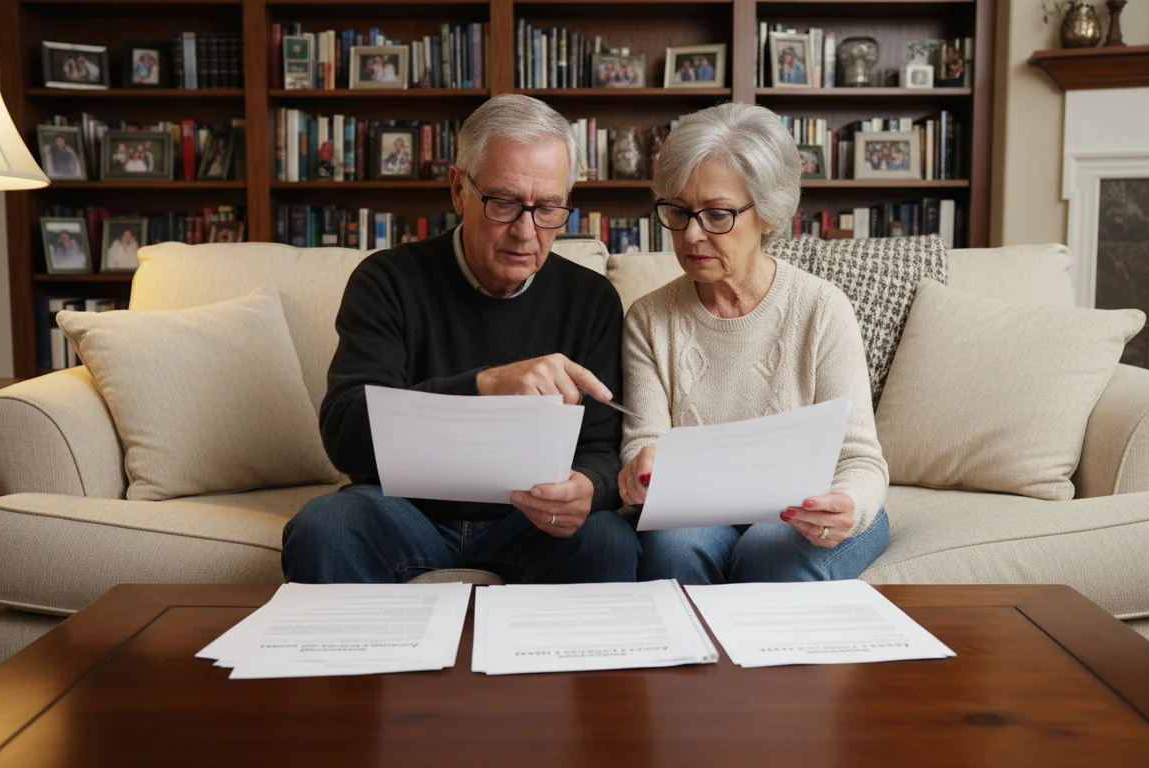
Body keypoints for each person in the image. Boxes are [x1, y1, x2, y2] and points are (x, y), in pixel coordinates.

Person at [282, 94, 638, 584]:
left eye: (548, 208)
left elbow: (603, 447)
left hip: (532, 521)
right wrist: (485, 386)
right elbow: (346, 434)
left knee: (609, 542)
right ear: (458, 190)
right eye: (504, 203)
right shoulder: (386, 281)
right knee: (326, 527)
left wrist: (590, 488)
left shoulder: (591, 299)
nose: (525, 231)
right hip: (403, 511)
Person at [618, 102, 890, 584]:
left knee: (770, 551)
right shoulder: (649, 318)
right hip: (701, 508)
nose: (692, 234)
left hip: (808, 508)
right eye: (678, 212)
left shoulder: (822, 308)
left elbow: (860, 459)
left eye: (717, 214)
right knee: (673, 548)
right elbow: (644, 442)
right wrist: (643, 471)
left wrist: (848, 503)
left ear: (768, 214)